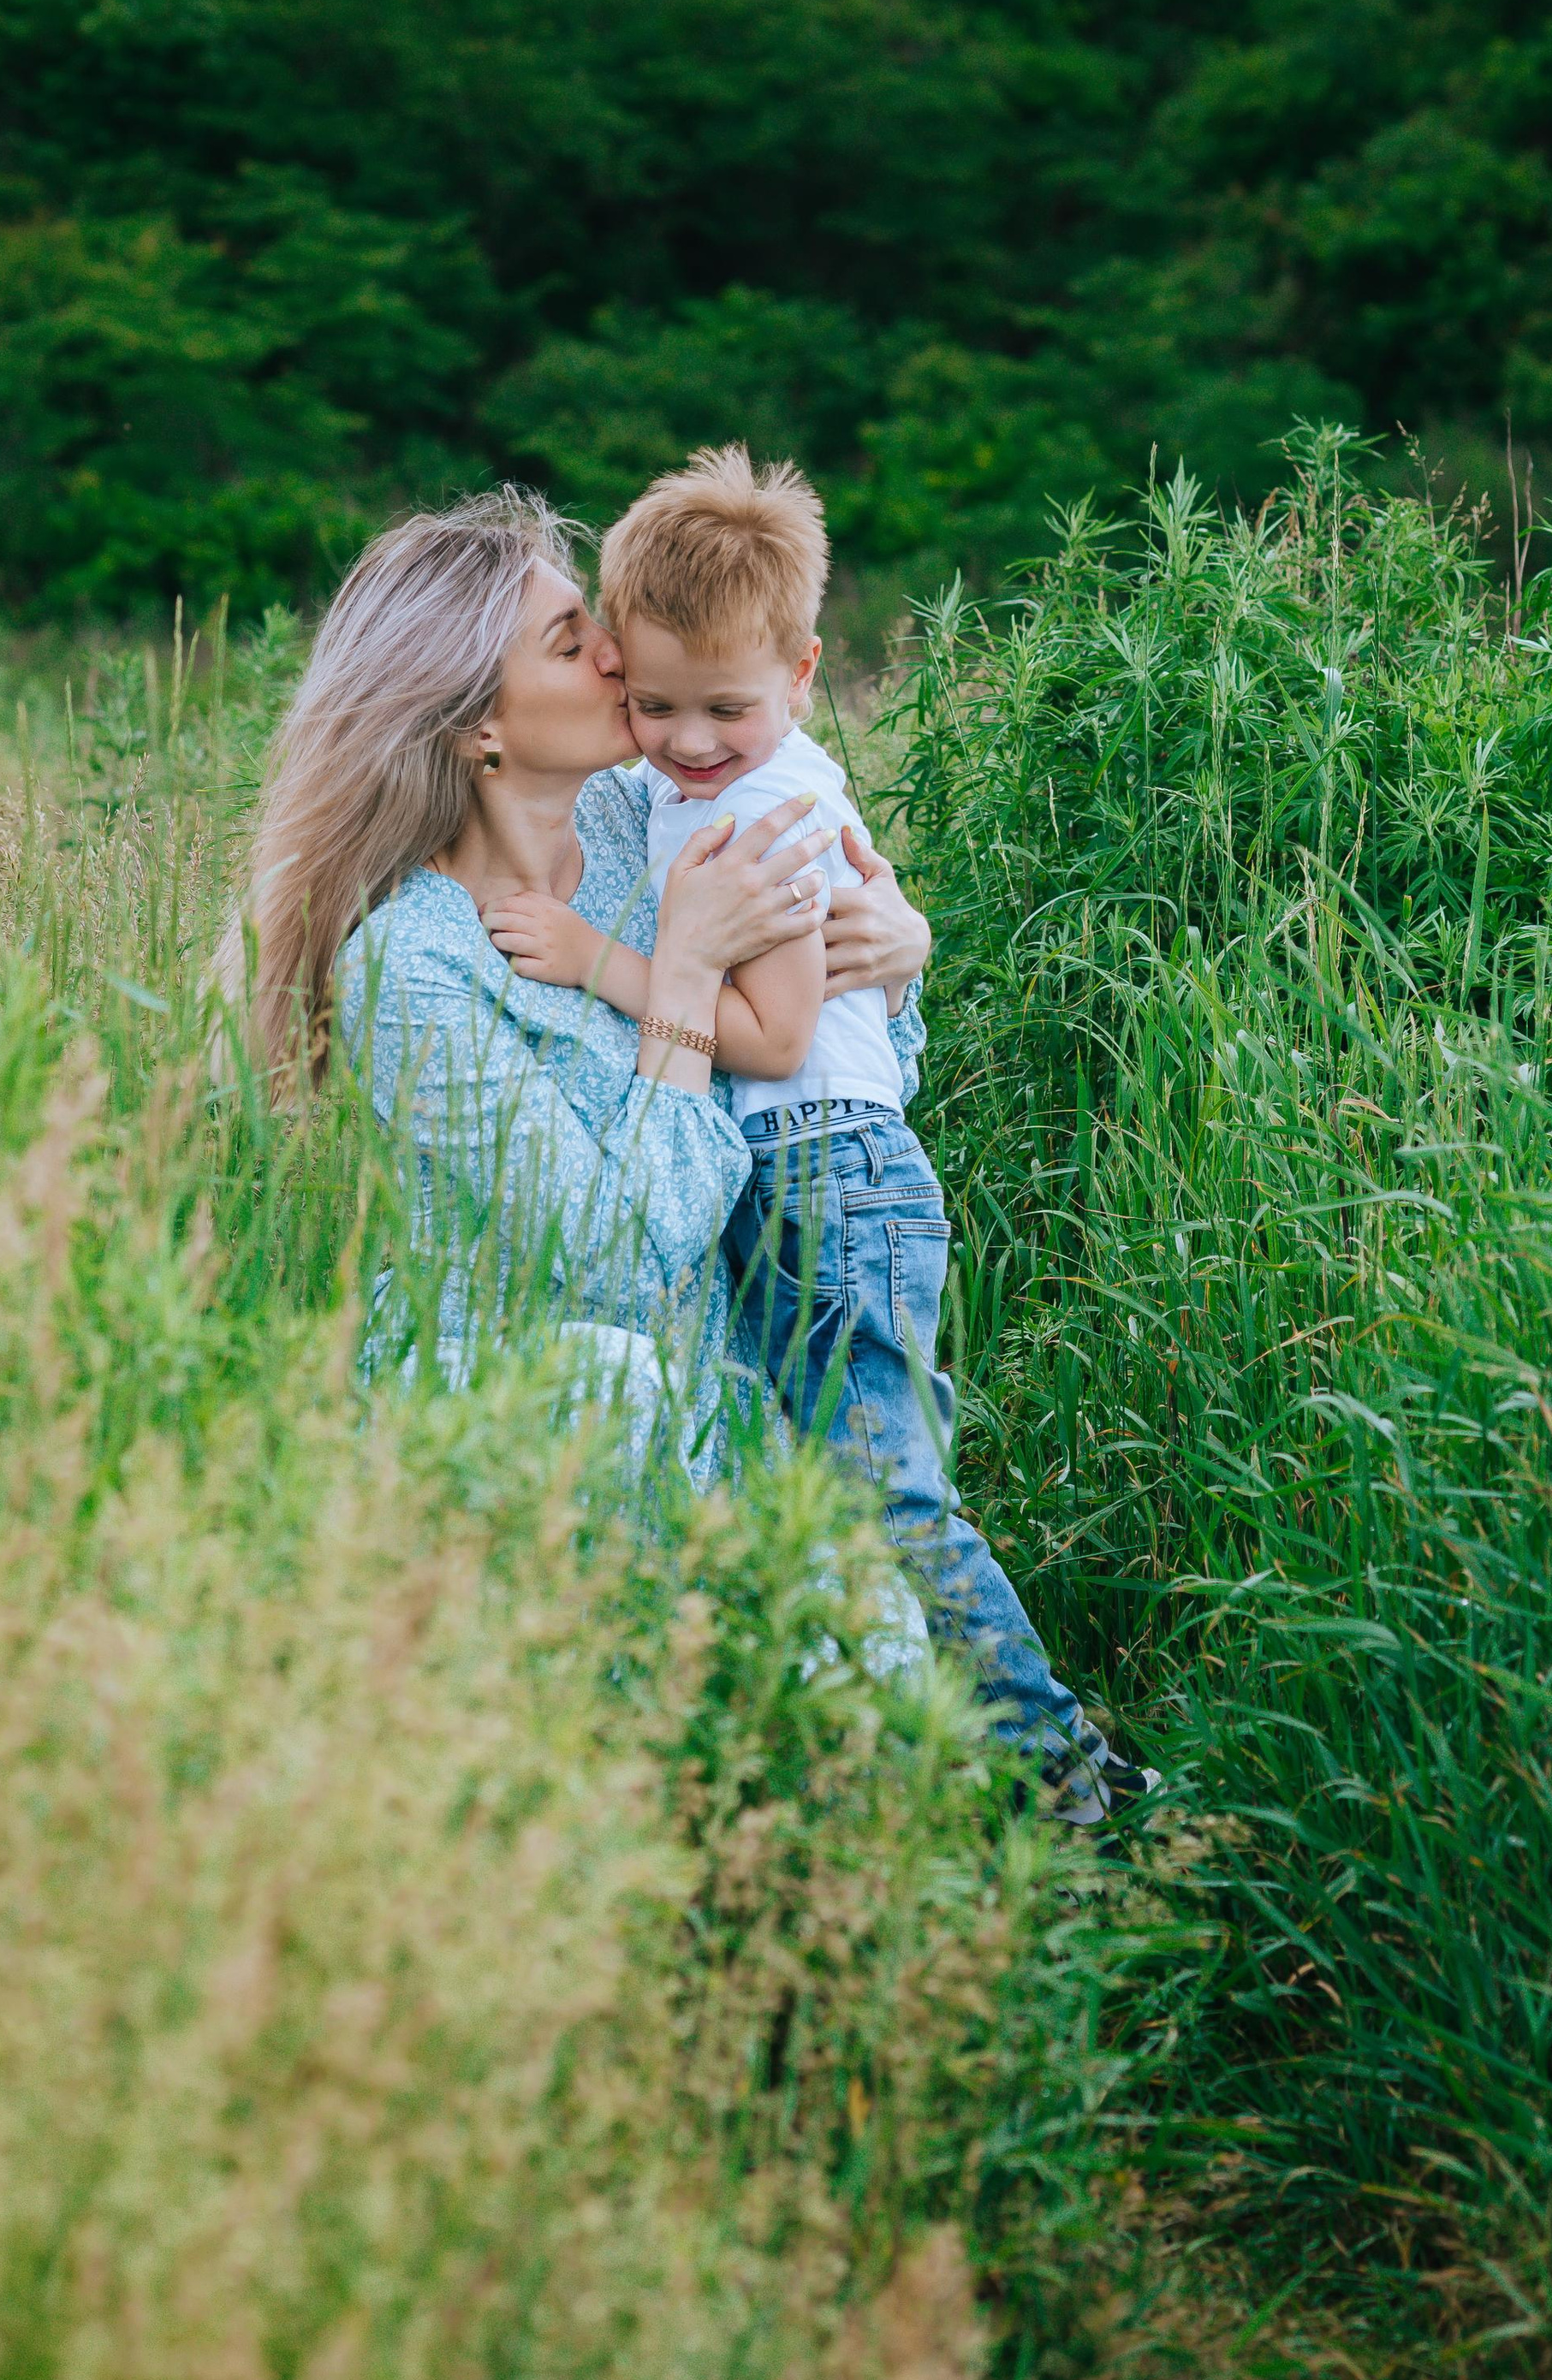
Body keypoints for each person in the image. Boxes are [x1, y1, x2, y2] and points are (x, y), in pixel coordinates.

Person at [489, 445, 1154, 1828]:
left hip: (827, 1177)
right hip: (790, 1176)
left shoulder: (768, 807)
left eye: (722, 708)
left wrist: (596, 956)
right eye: (657, 704)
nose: (682, 738)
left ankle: (1070, 1776)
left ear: (799, 677)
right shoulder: (696, 785)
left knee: (890, 1500)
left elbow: (781, 1036)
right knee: (842, 1494)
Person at [220, 488, 931, 1472]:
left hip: (731, 1402)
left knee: (896, 1601)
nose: (614, 653)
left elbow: (826, 1078)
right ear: (476, 725)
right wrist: (677, 978)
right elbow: (621, 1264)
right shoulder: (412, 965)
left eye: (594, 624)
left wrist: (892, 966)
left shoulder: (643, 818)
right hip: (540, 1428)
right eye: (567, 643)